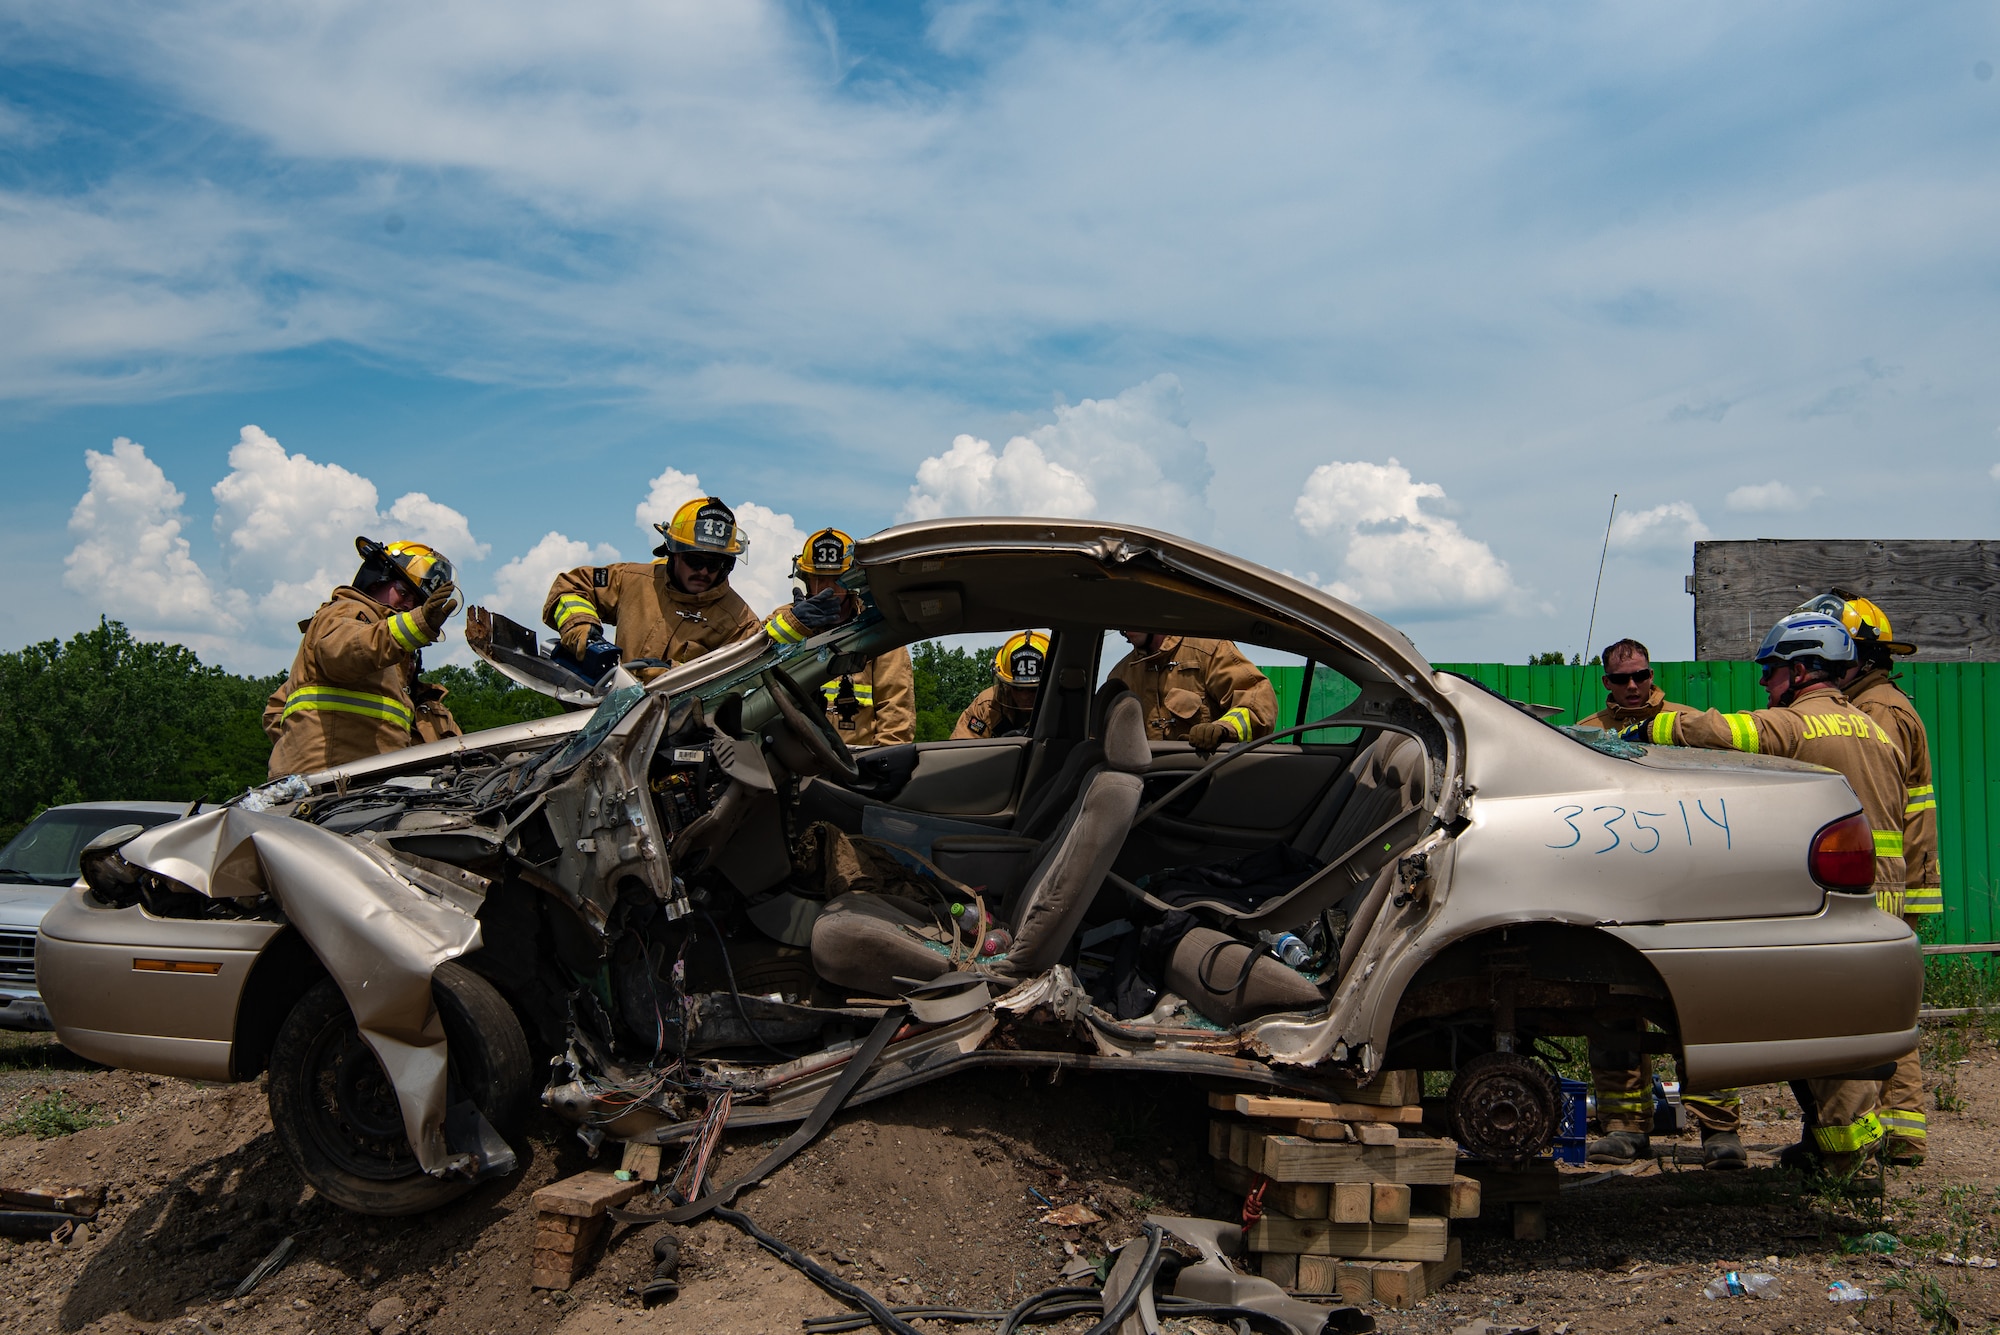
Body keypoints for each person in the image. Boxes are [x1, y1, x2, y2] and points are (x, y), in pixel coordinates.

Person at [1631, 610, 1909, 1174]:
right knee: (1843, 1028)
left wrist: (1646, 728)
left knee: (1832, 1036)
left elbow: (1719, 731)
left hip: (1838, 894)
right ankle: (1834, 1146)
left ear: (1804, 670)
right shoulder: (1874, 728)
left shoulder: (1800, 725)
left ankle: (1846, 1162)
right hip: (1881, 891)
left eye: (1772, 671)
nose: (1764, 682)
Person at [1577, 638, 1745, 1169]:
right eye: (1619, 679)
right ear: (1606, 682)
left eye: (1640, 676)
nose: (1631, 686)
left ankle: (1720, 1134)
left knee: (1701, 1014)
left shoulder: (1687, 726)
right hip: (1617, 898)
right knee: (1613, 1014)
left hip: (1686, 894)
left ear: (1652, 676)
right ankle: (1625, 1128)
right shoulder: (1585, 735)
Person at [1800, 590, 1938, 1166]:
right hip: (1898, 876)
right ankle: (1902, 1132)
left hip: (1876, 880)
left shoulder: (1873, 713)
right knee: (1887, 1007)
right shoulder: (1889, 701)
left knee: (1876, 1014)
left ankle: (1897, 1136)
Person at [265, 537, 463, 778]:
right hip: (332, 788)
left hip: (358, 787)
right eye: (403, 592)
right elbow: (344, 652)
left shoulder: (388, 657)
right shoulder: (346, 612)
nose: (409, 605)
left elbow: (277, 710)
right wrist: (308, 754)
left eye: (418, 603)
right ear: (375, 581)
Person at [542, 496, 762, 671]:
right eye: (695, 561)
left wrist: (672, 675)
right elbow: (571, 587)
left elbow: (739, 683)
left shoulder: (740, 624)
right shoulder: (632, 580)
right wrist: (581, 627)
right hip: (608, 713)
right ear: (673, 554)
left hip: (683, 724)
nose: (703, 571)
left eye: (715, 564)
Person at [765, 528, 914, 747]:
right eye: (818, 578)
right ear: (806, 580)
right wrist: (796, 625)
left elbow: (896, 712)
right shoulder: (785, 620)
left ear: (853, 581)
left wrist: (884, 764)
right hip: (792, 762)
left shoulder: (877, 630)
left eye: (836, 579)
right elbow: (752, 662)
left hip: (855, 764)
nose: (827, 588)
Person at [1106, 632, 1277, 753]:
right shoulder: (1121, 674)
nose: (1127, 629)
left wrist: (1223, 728)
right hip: (1145, 787)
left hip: (1203, 779)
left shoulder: (1210, 651)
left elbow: (1259, 705)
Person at [953, 633, 1048, 739]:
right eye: (1018, 688)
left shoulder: (1063, 706)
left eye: (1033, 689)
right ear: (1006, 684)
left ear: (1048, 684)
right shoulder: (987, 706)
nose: (1024, 696)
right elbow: (961, 747)